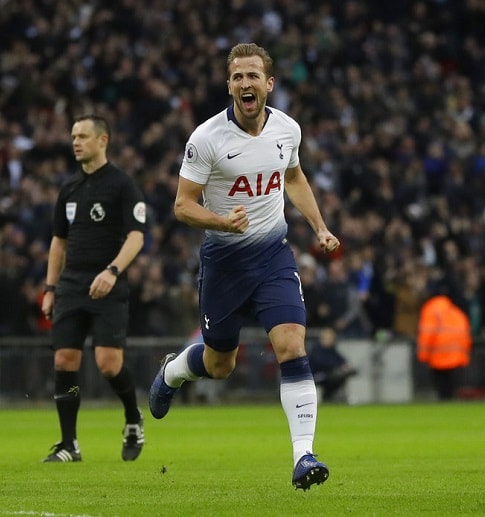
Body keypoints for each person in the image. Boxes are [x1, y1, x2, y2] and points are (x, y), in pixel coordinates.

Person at [148, 43, 341, 490]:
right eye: (237, 77)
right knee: (220, 365)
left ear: (269, 83)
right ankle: (173, 371)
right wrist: (220, 221)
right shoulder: (207, 138)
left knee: (292, 344)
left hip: (274, 255)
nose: (245, 84)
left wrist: (319, 226)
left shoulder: (287, 129)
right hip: (224, 263)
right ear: (229, 84)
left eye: (253, 76)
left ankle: (303, 456)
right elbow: (181, 205)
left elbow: (293, 177)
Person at [41, 114, 147, 463]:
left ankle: (133, 418)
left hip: (108, 285)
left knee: (107, 363)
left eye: (83, 136)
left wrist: (113, 271)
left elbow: (136, 235)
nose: (75, 142)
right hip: (71, 284)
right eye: (73, 136)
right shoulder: (69, 188)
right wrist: (50, 287)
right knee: (64, 361)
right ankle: (69, 443)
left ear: (103, 141)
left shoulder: (121, 184)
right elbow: (58, 242)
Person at [416, 289, 472, 400]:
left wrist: (423, 356)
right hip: (457, 357)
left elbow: (427, 334)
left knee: (442, 390)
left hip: (438, 357)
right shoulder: (456, 311)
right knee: (452, 390)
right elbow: (466, 335)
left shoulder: (430, 310)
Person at [308, 327, 357, 403]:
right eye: (329, 337)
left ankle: (340, 397)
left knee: (342, 374)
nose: (331, 340)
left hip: (329, 375)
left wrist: (346, 366)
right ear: (322, 338)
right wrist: (338, 367)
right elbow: (322, 363)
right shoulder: (316, 350)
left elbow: (342, 360)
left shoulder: (332, 350)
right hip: (317, 376)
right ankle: (328, 397)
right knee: (335, 375)